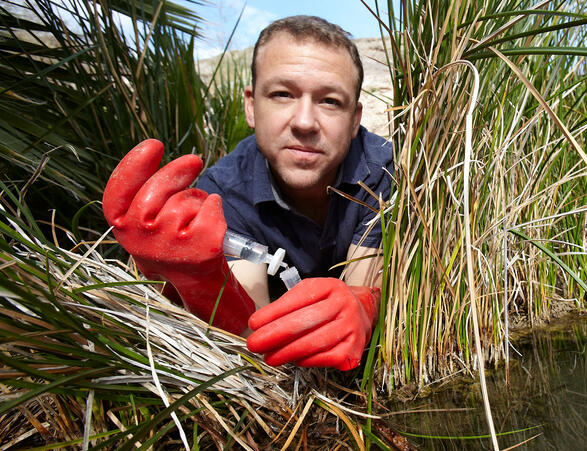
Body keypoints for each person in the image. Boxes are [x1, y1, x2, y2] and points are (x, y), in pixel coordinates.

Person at [102, 16, 393, 371]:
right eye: (282, 94)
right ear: (252, 106)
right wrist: (197, 282)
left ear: (354, 119)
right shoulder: (223, 194)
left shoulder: (385, 173)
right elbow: (251, 336)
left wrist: (366, 306)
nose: (304, 122)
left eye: (330, 101)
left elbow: (367, 286)